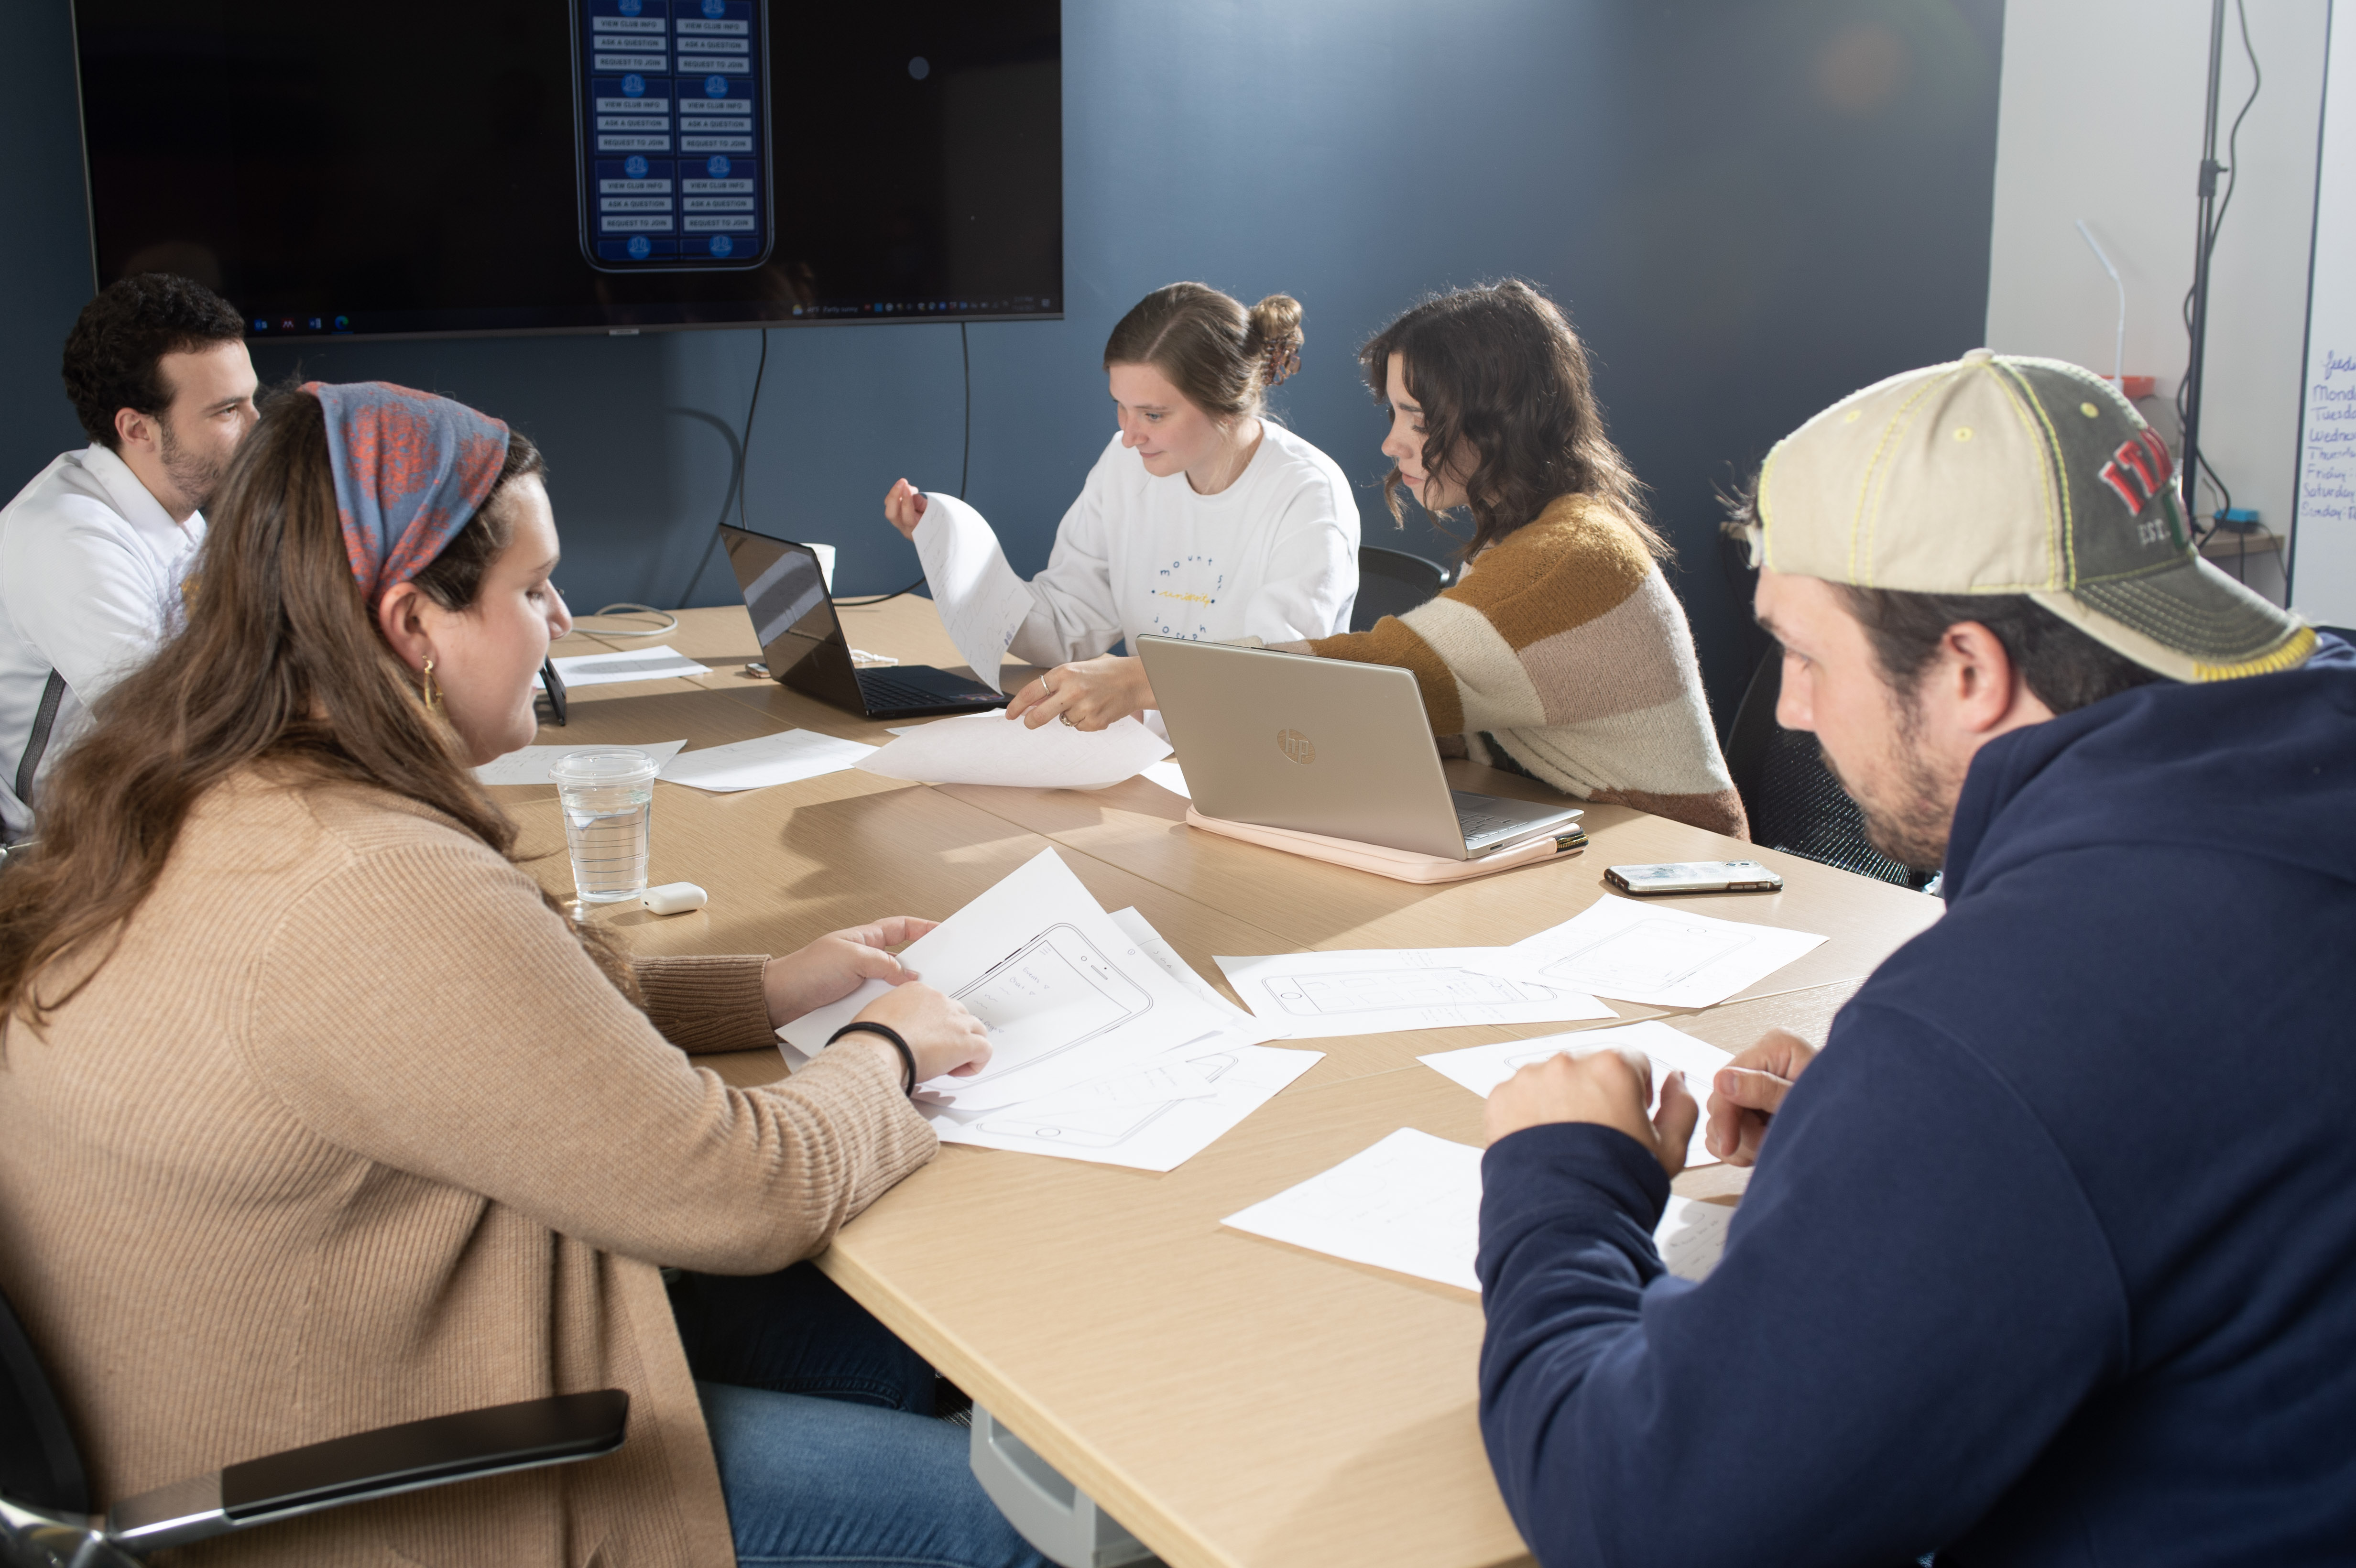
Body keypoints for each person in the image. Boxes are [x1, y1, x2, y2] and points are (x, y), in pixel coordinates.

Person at [0, 382, 1047, 1568]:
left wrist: (761, 992)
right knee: (1012, 1526)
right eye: (530, 586)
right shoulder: (364, 878)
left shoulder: (204, 791)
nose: (557, 614)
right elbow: (751, 1190)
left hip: (294, 1376)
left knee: (931, 1355)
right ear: (411, 625)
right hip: (389, 1479)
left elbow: (460, 1036)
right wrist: (890, 1046)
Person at [1473, 350, 2356, 1566]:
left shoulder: (2014, 1030)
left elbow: (1645, 1508)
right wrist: (1880, 1144)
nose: (1788, 710)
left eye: (1804, 652)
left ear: (1970, 671)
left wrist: (1561, 1178)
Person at [1268, 282, 1745, 837]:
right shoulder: (1522, 535)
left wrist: (1160, 680)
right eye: (1393, 416)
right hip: (1587, 831)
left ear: (1498, 422)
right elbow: (1459, 710)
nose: (1391, 444)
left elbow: (1394, 674)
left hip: (1669, 865)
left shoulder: (1569, 558)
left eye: (1417, 420)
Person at [883, 281, 1361, 730]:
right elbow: (1068, 623)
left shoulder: (1307, 493)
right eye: (1121, 406)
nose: (1130, 436)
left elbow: (1279, 673)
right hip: (1142, 752)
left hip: (1252, 760)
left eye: (1153, 414)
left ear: (1227, 402)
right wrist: (950, 553)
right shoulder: (1126, 463)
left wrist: (1138, 682)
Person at [0, 272, 258, 842]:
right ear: (137, 428)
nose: (256, 427)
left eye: (251, 401)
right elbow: (173, 736)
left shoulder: (178, 503)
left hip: (143, 811)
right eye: (227, 411)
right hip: (56, 854)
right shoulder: (68, 540)